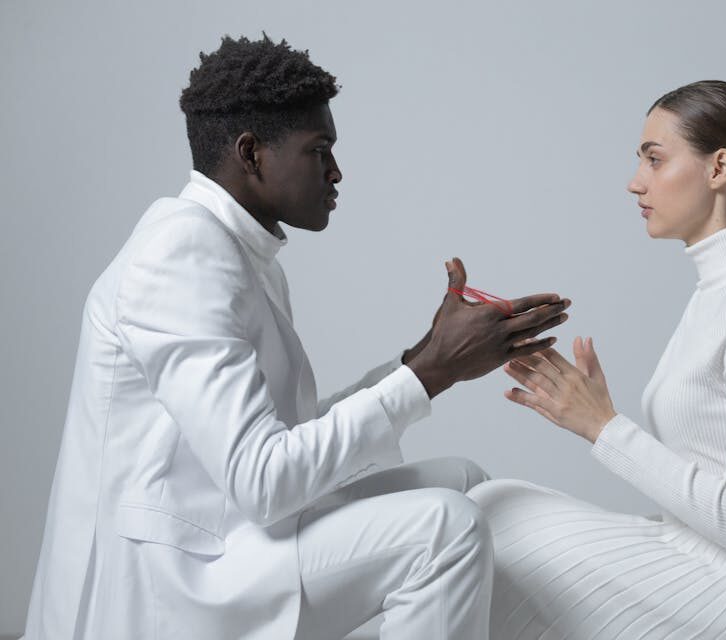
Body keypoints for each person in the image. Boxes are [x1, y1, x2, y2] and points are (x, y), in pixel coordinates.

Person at [20, 33, 572, 640]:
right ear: (251, 154)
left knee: (464, 482)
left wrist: (427, 358)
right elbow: (265, 481)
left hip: (224, 540)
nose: (336, 172)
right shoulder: (180, 253)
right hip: (170, 585)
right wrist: (431, 371)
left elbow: (287, 442)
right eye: (319, 150)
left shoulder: (238, 253)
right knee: (446, 528)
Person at [467, 80, 726, 639]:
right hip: (711, 562)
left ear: (719, 168)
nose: (635, 182)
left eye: (654, 159)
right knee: (488, 511)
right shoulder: (724, 286)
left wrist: (602, 426)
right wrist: (597, 421)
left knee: (489, 520)